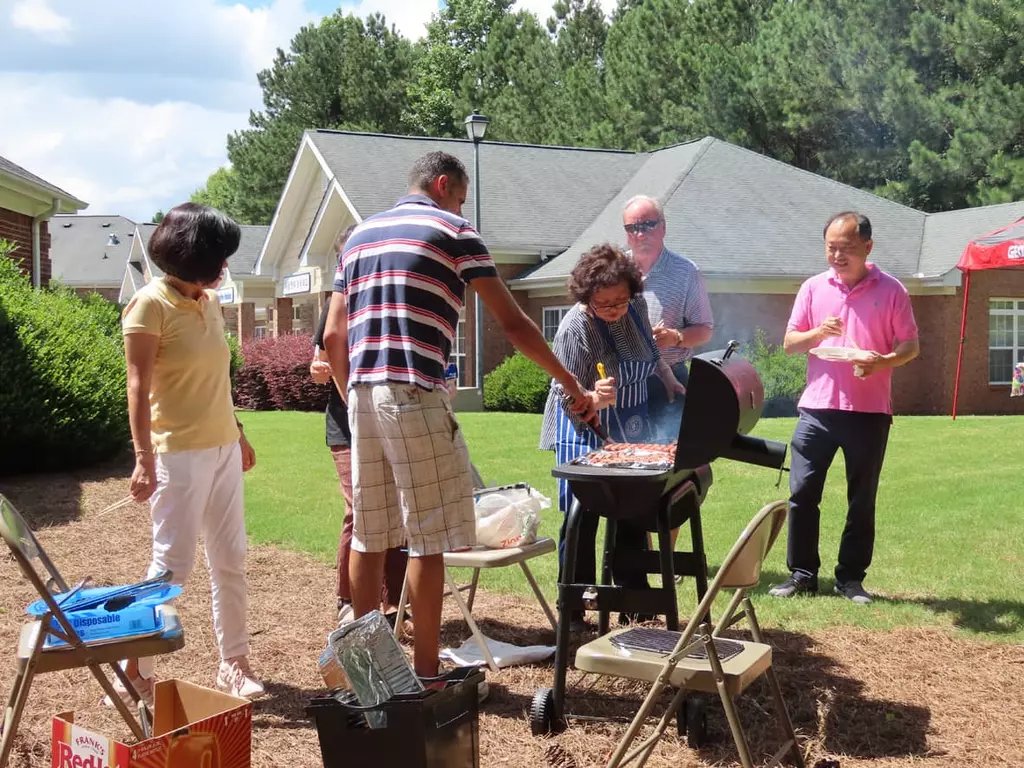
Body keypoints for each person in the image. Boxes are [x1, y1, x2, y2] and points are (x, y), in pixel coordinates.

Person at [322, 151, 589, 678]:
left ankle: (370, 676)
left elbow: (333, 335)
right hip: (416, 393)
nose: (463, 205)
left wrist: (353, 395)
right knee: (428, 537)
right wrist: (568, 382)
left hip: (360, 394)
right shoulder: (453, 230)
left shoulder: (359, 236)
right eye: (461, 195)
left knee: (369, 535)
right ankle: (426, 676)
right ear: (443, 184)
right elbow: (513, 324)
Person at [118, 203, 264, 706]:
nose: (225, 265)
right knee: (171, 568)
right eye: (219, 255)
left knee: (231, 560)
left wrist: (239, 432)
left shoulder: (209, 301)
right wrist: (143, 457)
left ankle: (235, 664)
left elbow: (216, 380)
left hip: (222, 446)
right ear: (192, 255)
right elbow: (137, 388)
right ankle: (133, 668)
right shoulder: (147, 305)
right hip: (177, 454)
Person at [769, 211, 920, 605]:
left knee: (862, 499)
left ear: (867, 248)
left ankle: (850, 579)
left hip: (869, 412)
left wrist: (881, 362)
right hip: (816, 410)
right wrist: (819, 333)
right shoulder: (814, 288)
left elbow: (910, 346)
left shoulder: (891, 291)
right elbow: (790, 343)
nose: (837, 255)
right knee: (802, 493)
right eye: (831, 248)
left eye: (847, 249)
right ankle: (802, 575)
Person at [540, 244, 686, 631]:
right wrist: (590, 397)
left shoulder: (635, 308)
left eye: (620, 300)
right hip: (583, 425)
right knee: (582, 514)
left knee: (634, 506)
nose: (615, 309)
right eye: (604, 304)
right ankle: (573, 609)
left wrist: (668, 378)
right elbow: (562, 390)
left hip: (631, 419)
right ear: (587, 297)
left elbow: (651, 354)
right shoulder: (575, 327)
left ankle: (635, 601)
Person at [311, 224, 410, 629]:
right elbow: (320, 359)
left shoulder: (386, 295)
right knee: (360, 509)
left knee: (399, 509)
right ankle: (349, 599)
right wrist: (336, 381)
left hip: (390, 416)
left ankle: (397, 603)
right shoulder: (339, 303)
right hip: (346, 423)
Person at [622, 195, 714, 441]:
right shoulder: (614, 270)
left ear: (663, 227)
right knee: (622, 457)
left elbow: (705, 329)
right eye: (633, 228)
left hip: (669, 382)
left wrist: (676, 337)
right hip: (622, 382)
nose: (640, 234)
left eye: (648, 225)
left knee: (669, 459)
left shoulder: (685, 272)